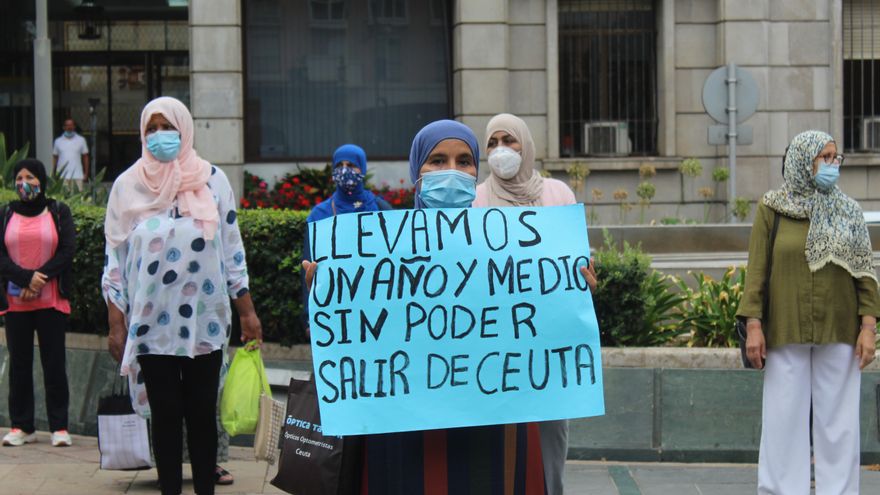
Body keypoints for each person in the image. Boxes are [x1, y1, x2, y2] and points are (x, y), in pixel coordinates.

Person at [102, 96, 262, 495]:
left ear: (184, 128)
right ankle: (170, 489)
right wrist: (115, 322)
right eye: (151, 128)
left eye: (166, 126)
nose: (159, 136)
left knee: (201, 414)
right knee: (166, 414)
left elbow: (230, 248)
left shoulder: (211, 179)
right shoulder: (127, 185)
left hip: (203, 319)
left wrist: (247, 312)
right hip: (151, 322)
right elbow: (115, 260)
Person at [737, 130, 879, 495]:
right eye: (825, 157)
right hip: (784, 327)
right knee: (783, 422)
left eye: (836, 157)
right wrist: (754, 325)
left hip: (839, 326)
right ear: (803, 160)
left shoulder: (847, 210)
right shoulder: (772, 208)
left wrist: (868, 326)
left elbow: (864, 271)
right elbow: (757, 271)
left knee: (839, 424)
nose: (833, 165)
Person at [473, 113, 596, 495]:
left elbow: (574, 262)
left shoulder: (558, 194)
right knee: (497, 442)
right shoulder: (476, 199)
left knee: (550, 439)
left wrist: (586, 282)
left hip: (549, 343)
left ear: (525, 145)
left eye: (508, 141)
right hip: (496, 344)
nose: (500, 151)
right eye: (492, 143)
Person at [0, 158, 75, 448]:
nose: (23, 183)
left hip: (51, 301)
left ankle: (59, 426)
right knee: (20, 365)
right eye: (19, 178)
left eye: (29, 177)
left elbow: (67, 249)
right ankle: (22, 426)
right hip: (16, 302)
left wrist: (39, 279)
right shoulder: (6, 213)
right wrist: (24, 279)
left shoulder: (58, 211)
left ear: (41, 180)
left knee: (54, 363)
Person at [301, 144, 389, 331]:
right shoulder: (319, 214)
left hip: (377, 303)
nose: (345, 170)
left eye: (351, 165)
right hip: (335, 306)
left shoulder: (381, 209)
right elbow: (308, 268)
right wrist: (310, 314)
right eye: (339, 165)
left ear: (362, 169)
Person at [52, 118, 90, 189]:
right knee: (63, 199)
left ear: (74, 127)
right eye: (67, 125)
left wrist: (86, 173)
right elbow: (55, 158)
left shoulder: (81, 140)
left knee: (77, 198)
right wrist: (54, 173)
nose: (69, 127)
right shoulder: (58, 141)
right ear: (64, 127)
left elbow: (85, 157)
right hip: (62, 176)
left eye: (71, 125)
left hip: (77, 175)